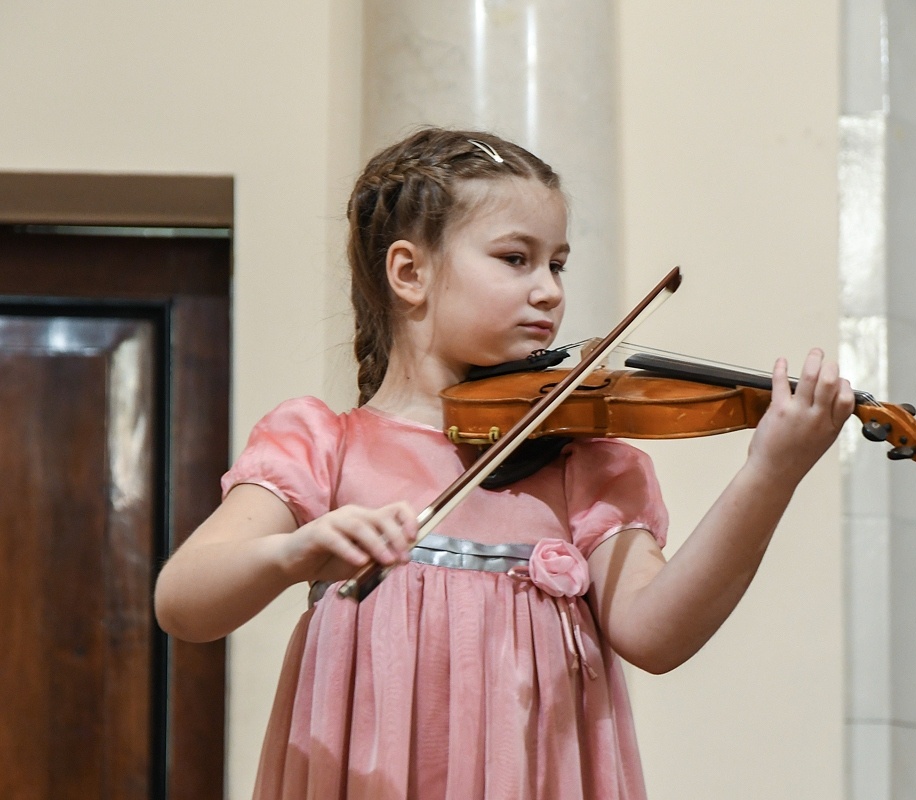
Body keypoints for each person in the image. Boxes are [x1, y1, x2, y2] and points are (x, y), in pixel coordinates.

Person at [153, 127, 856, 799]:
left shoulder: (582, 462)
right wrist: (293, 553)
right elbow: (184, 603)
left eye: (557, 263)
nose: (549, 289)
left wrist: (771, 474)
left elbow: (655, 634)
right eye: (516, 259)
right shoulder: (325, 443)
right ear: (409, 273)